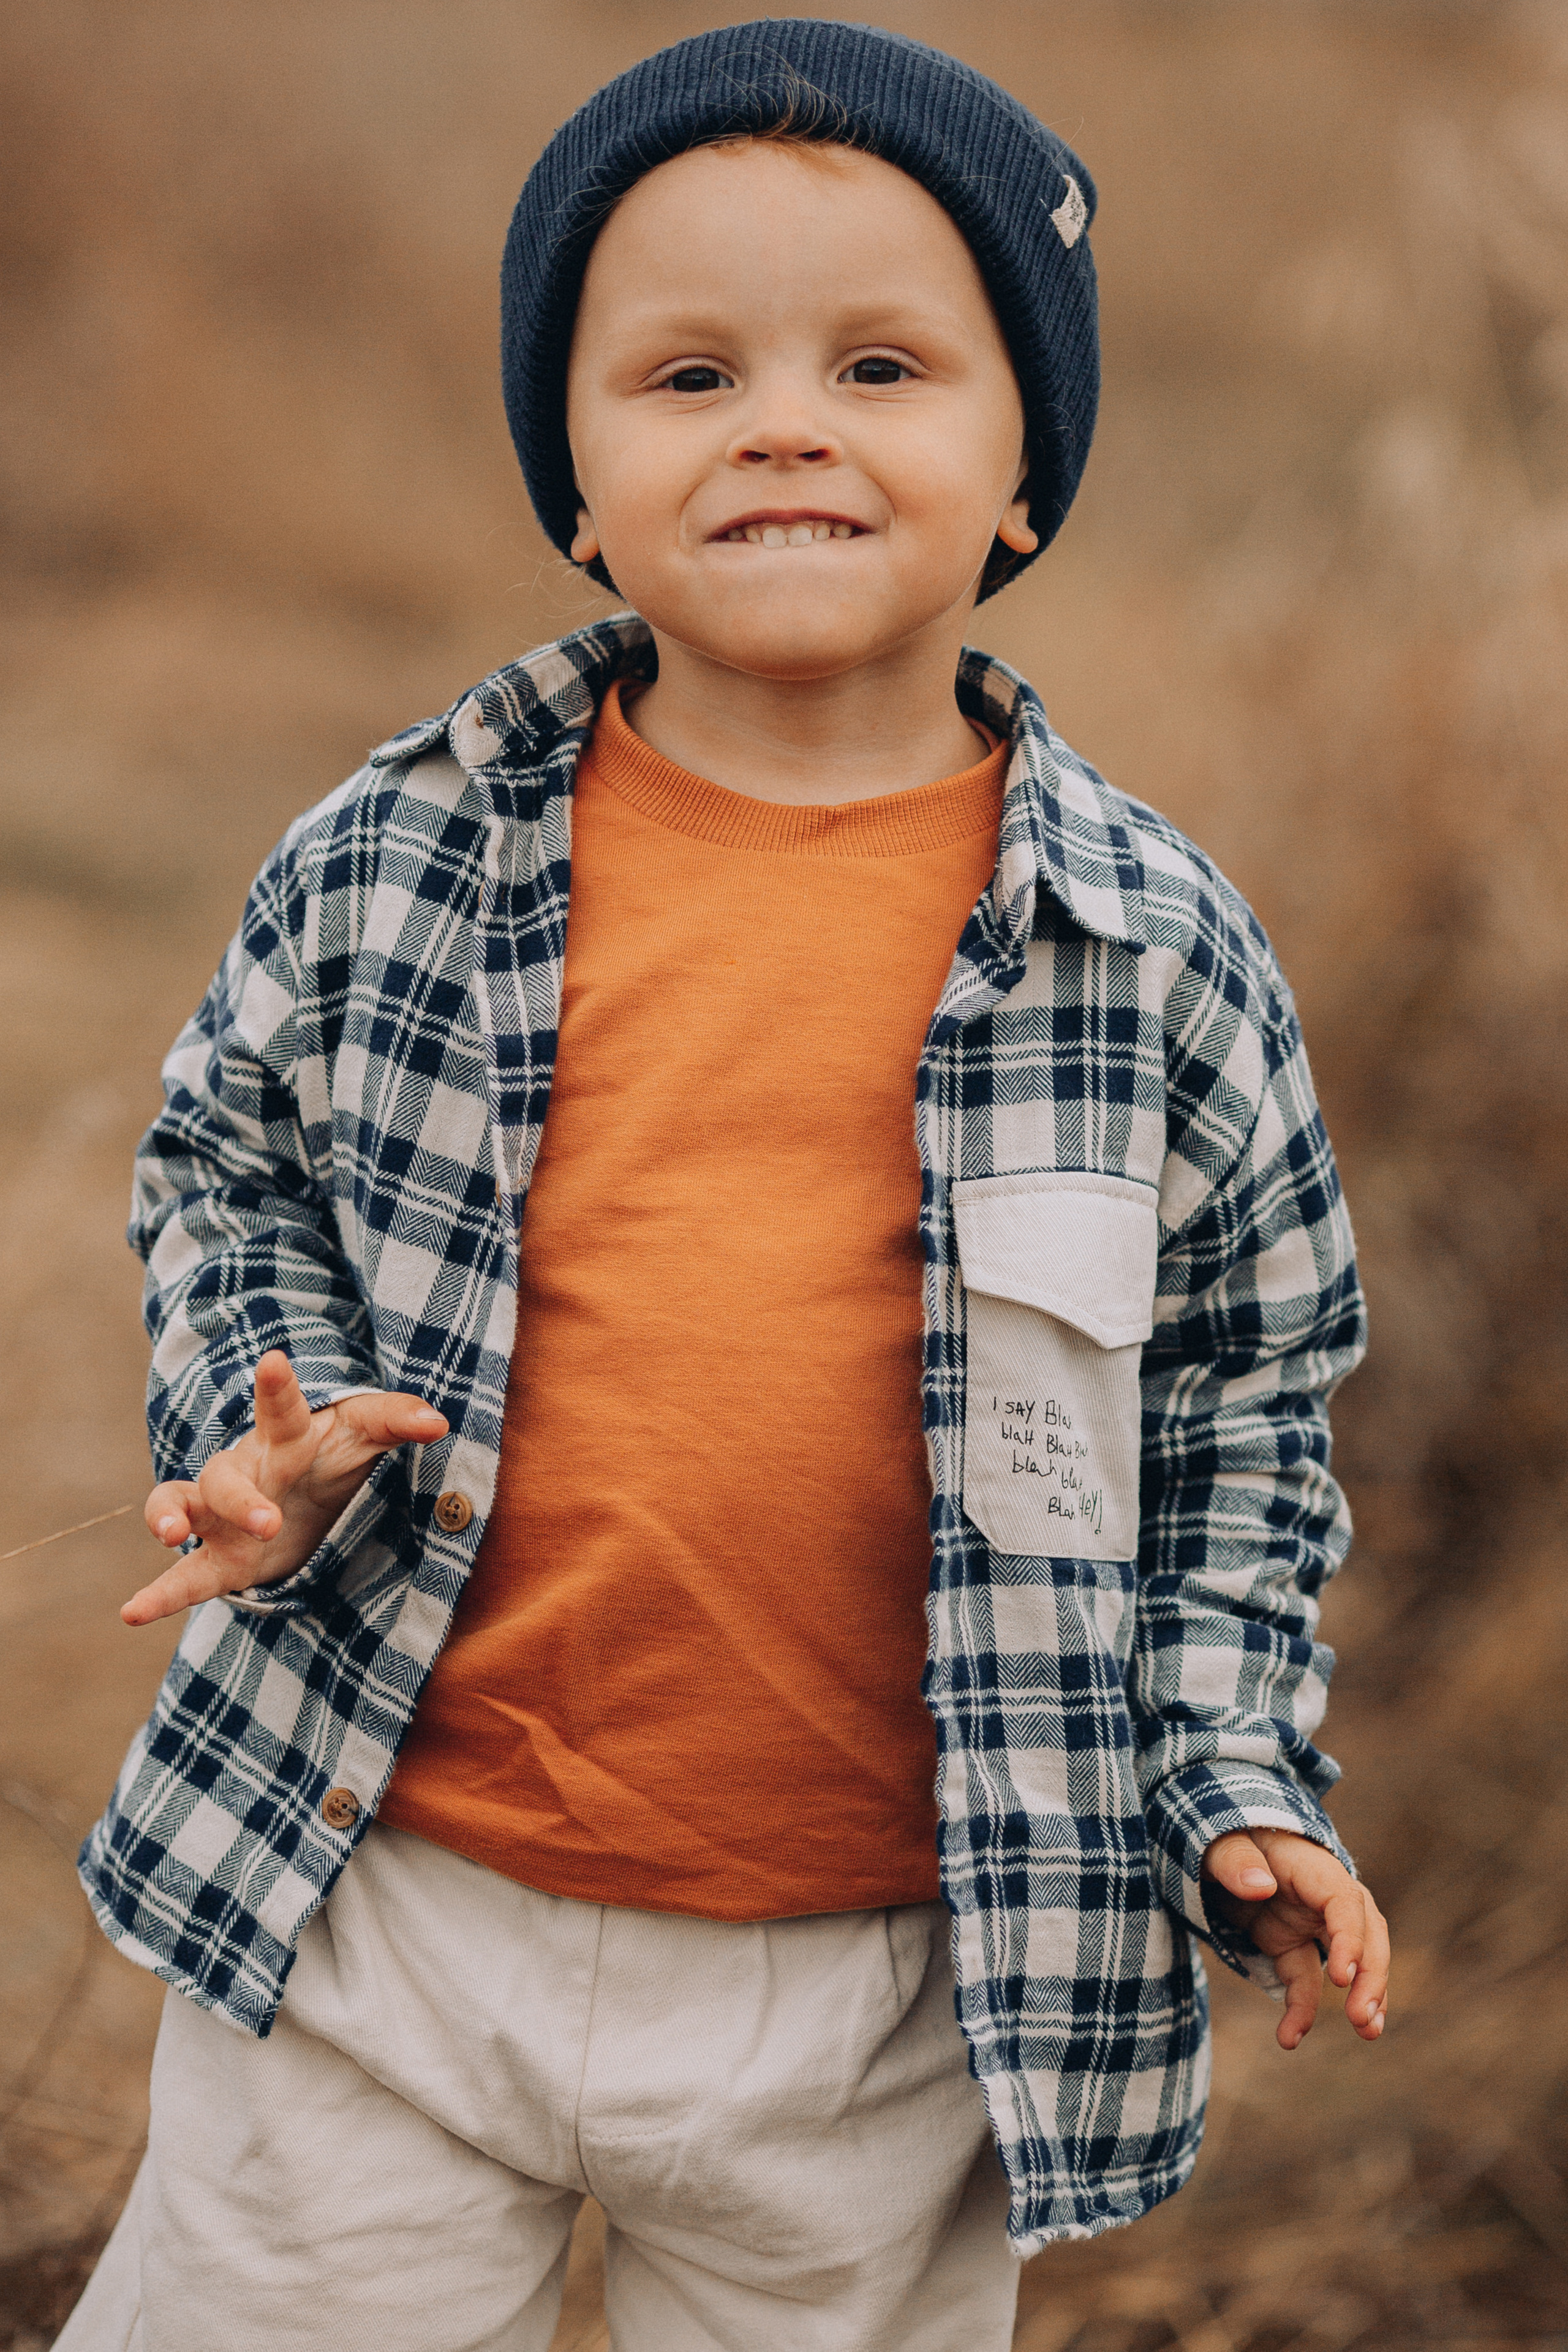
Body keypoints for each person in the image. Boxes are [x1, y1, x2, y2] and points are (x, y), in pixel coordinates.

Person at [58, 22, 1388, 2352]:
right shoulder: (407, 854)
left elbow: (1246, 1411)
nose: (783, 423)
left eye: (880, 363)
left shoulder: (1157, 953)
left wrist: (1234, 1776)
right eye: (685, 375)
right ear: (574, 479)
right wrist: (252, 1432)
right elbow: (225, 1161)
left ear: (1023, 473)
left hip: (886, 1979)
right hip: (391, 1899)